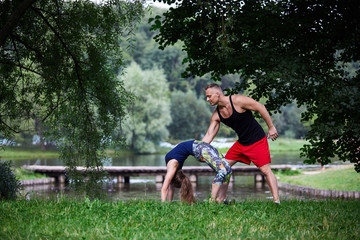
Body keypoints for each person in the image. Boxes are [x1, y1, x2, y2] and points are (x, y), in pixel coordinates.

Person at [202, 83, 280, 204]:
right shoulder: (217, 115)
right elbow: (209, 135)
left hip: (257, 140)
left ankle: (276, 201)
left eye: (209, 96)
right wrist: (197, 149)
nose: (207, 99)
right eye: (207, 97)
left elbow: (260, 107)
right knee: (223, 168)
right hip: (242, 143)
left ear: (217, 94)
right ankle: (221, 199)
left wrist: (271, 127)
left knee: (265, 170)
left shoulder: (238, 101)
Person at [161, 140, 232, 204]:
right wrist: (169, 203)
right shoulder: (174, 168)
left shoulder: (173, 167)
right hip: (201, 145)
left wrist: (163, 204)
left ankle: (212, 200)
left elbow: (164, 189)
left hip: (199, 148)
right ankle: (221, 199)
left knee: (224, 170)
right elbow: (170, 187)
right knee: (227, 169)